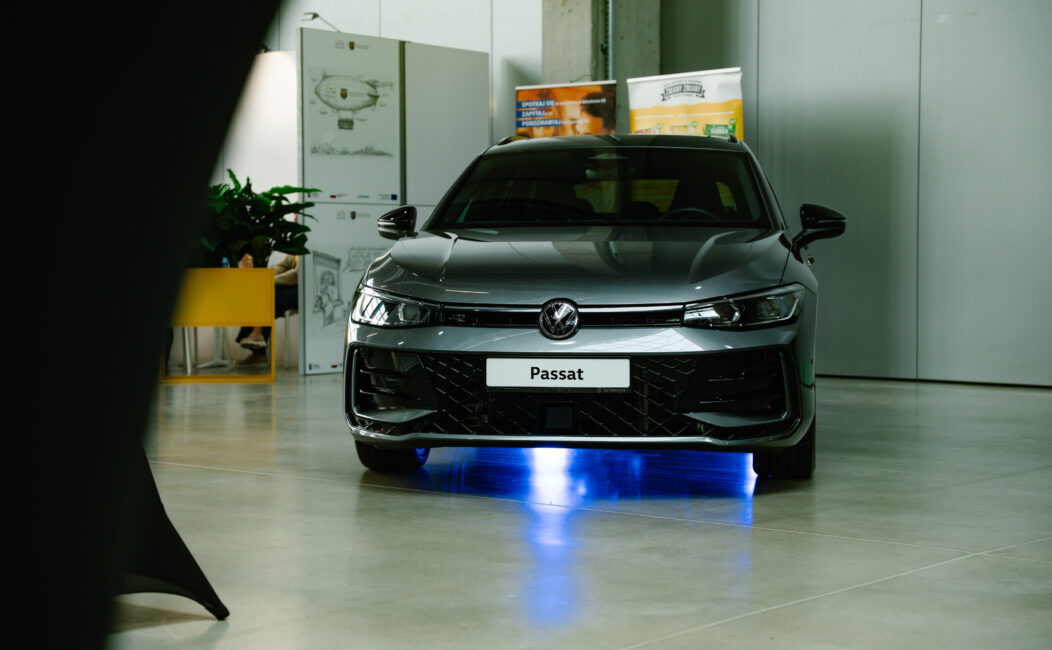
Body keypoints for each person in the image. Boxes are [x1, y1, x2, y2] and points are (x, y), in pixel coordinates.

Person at [235, 252, 298, 366]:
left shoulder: (314, 246)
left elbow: (297, 275)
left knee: (270, 298)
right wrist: (266, 277)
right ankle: (257, 341)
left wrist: (271, 280)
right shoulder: (297, 248)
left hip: (304, 289)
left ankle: (258, 342)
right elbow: (282, 266)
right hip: (290, 285)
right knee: (262, 292)